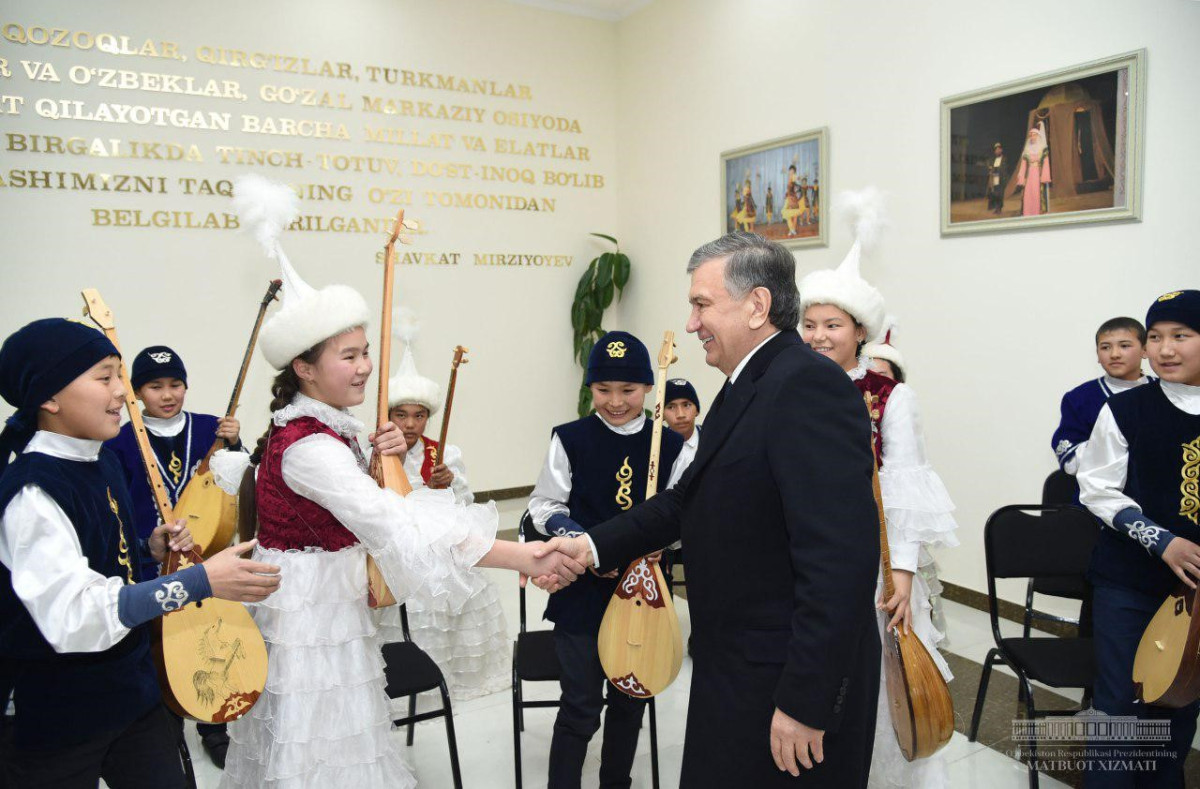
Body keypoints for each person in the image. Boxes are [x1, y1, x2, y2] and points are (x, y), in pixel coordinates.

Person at [213, 174, 582, 788]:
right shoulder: (309, 448)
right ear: (304, 368)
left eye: (365, 352)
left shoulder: (325, 431)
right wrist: (518, 552)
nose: (364, 368)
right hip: (311, 620)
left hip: (327, 602)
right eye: (348, 356)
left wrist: (372, 455)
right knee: (319, 749)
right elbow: (397, 521)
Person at [537, 232, 882, 788]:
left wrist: (806, 701)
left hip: (784, 681)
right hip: (739, 663)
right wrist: (589, 545)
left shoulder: (807, 387)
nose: (692, 322)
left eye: (701, 304)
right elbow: (685, 501)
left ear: (757, 305)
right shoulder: (748, 384)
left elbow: (840, 561)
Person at [0, 317, 281, 788]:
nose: (121, 393)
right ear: (49, 398)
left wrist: (147, 548)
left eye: (119, 375)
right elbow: (75, 614)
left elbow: (104, 562)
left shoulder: (100, 457)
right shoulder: (33, 493)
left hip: (131, 694)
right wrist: (200, 581)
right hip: (57, 717)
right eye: (104, 378)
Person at [798, 191, 959, 789]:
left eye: (832, 326)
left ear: (860, 330)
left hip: (877, 561)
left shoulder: (888, 394)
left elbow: (904, 483)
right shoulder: (792, 386)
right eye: (809, 324)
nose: (817, 336)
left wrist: (904, 571)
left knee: (880, 679)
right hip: (807, 558)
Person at [528, 329, 688, 789]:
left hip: (643, 597)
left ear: (648, 389)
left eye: (628, 390)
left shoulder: (673, 446)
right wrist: (578, 539)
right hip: (581, 593)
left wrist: (667, 543)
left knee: (629, 701)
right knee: (579, 705)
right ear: (589, 389)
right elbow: (543, 507)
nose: (615, 401)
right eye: (603, 390)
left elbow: (686, 515)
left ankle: (616, 781)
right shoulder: (571, 439)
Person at [1076, 289, 1200, 787]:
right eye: (1156, 337)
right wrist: (1161, 540)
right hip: (1129, 584)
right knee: (1119, 704)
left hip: (1192, 595)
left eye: (1182, 336)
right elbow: (1097, 489)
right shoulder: (1127, 410)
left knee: (1181, 697)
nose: (1165, 349)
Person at [104, 345, 243, 767]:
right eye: (155, 386)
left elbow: (236, 486)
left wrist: (236, 443)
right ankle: (165, 729)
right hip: (153, 562)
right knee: (163, 647)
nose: (167, 395)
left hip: (206, 558)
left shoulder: (210, 428)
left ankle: (213, 725)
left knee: (210, 639)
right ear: (136, 392)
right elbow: (117, 505)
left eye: (176, 384)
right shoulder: (122, 438)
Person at [374, 333, 509, 702]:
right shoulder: (375, 453)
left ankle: (451, 678)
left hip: (441, 546)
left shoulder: (445, 452)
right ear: (389, 417)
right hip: (399, 550)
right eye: (401, 415)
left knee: (458, 596)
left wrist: (447, 487)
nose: (410, 424)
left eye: (418, 416)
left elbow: (466, 504)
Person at [1052, 317, 1152, 475]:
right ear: (1097, 355)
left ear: (1145, 350)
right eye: (1105, 347)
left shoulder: (1166, 391)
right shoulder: (1079, 399)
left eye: (1125, 346)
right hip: (1100, 495)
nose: (1114, 354)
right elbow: (1071, 463)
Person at [1016, 122, 1052, 216]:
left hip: (1037, 173)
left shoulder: (1042, 150)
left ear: (1038, 136)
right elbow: (1023, 165)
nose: (1033, 136)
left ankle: (1037, 211)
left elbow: (1046, 163)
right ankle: (1028, 212)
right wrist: (1022, 178)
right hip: (1029, 174)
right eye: (1031, 135)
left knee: (1036, 193)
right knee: (1028, 193)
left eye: (1034, 134)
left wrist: (1044, 176)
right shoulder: (1027, 150)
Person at [663, 377, 701, 466]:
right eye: (671, 407)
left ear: (697, 410)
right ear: (662, 415)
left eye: (686, 405)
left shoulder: (712, 441)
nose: (680, 414)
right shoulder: (654, 446)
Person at [986, 142, 1007, 214]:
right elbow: (990, 167)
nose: (998, 151)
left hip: (1001, 179)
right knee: (995, 194)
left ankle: (999, 208)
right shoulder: (992, 159)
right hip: (994, 179)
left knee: (1000, 194)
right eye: (996, 150)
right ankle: (996, 208)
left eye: (999, 149)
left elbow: (1005, 170)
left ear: (1001, 150)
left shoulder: (1004, 159)